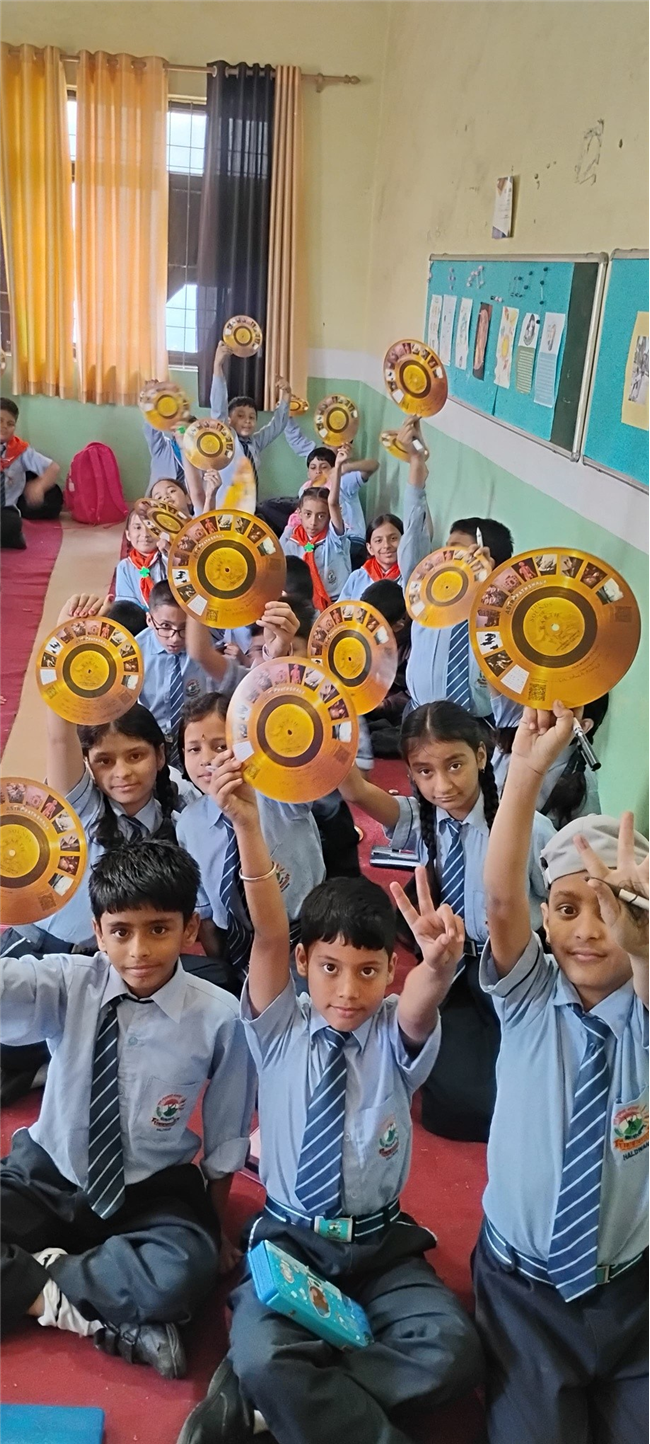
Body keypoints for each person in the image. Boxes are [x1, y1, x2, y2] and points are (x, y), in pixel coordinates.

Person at [176, 758, 485, 1444]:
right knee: (264, 1351)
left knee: (453, 1351)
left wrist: (438, 968)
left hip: (381, 1245)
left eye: (369, 971)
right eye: (330, 968)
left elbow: (420, 1006)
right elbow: (268, 932)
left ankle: (272, 1402)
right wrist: (248, 825)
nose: (348, 990)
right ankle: (289, 1387)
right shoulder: (279, 1025)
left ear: (389, 971)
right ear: (303, 963)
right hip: (291, 1241)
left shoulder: (393, 1029)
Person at [0, 839, 256, 1378]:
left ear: (189, 929)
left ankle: (30, 1277)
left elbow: (226, 1131)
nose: (139, 950)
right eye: (121, 932)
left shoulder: (219, 1016)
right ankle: (87, 1312)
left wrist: (215, 1227)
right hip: (47, 1174)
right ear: (98, 932)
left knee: (183, 1271)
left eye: (158, 929)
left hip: (149, 1189)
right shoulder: (69, 981)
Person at [474, 702, 648, 1443]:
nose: (587, 931)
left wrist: (642, 941)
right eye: (568, 908)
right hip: (523, 1290)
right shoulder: (530, 998)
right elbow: (500, 898)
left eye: (609, 910)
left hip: (629, 1291)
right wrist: (524, 774)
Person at [340, 701, 554, 1141]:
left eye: (455, 764)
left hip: (516, 971)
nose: (442, 785)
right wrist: (329, 727)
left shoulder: (526, 829)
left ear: (481, 755)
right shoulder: (424, 818)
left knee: (528, 1092)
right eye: (424, 771)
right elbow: (356, 790)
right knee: (452, 1105)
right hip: (453, 971)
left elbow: (558, 903)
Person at [176, 693, 325, 995]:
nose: (207, 760)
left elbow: (308, 765)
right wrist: (223, 970)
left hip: (305, 942)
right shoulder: (189, 824)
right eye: (194, 749)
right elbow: (206, 914)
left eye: (220, 746)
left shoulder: (282, 797)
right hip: (238, 952)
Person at [397, 419, 521, 727]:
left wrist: (489, 595)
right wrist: (416, 465)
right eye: (447, 550)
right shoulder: (430, 596)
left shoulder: (502, 617)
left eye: (460, 553)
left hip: (473, 727)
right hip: (418, 714)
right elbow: (412, 545)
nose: (446, 560)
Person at [135, 581, 220, 764]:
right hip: (149, 743)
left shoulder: (205, 649)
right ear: (149, 620)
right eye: (166, 626)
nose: (175, 638)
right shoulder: (134, 654)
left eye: (184, 628)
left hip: (196, 743)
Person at [494, 694, 608, 828]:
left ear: (582, 726)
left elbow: (582, 839)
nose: (542, 710)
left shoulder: (585, 786)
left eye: (557, 708)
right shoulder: (517, 732)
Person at [209, 340, 291, 507]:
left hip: (248, 509)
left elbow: (277, 426)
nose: (247, 420)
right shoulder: (226, 441)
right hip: (224, 508)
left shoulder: (254, 443)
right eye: (240, 416)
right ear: (229, 420)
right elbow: (218, 408)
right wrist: (217, 366)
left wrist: (287, 395)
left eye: (252, 417)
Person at [285, 423, 379, 559]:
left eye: (324, 467)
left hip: (351, 539)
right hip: (320, 541)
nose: (318, 471)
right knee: (304, 553)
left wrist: (344, 468)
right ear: (308, 472)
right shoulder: (305, 490)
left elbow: (374, 465)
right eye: (313, 468)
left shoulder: (343, 480)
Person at [280, 461, 351, 609]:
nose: (313, 522)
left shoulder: (335, 539)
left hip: (336, 605)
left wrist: (337, 468)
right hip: (303, 606)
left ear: (329, 516)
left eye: (321, 516)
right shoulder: (292, 542)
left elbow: (333, 504)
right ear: (299, 513)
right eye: (308, 514)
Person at [0, 398, 61, 549]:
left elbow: (53, 468)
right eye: (0, 421)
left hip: (5, 510)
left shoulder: (20, 451)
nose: (4, 426)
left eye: (10, 423)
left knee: (11, 525)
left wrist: (39, 486)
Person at [360, 579, 412, 757]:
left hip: (398, 710)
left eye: (375, 628)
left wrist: (385, 705)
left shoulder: (415, 644)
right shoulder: (364, 633)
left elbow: (413, 694)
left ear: (398, 625)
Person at [342, 513, 405, 600]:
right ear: (370, 548)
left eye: (393, 538)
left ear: (405, 541)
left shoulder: (411, 576)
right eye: (379, 540)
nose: (386, 545)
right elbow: (341, 607)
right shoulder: (357, 577)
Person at [114, 509, 167, 608]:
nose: (145, 534)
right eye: (138, 527)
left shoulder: (167, 559)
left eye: (151, 527)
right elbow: (125, 605)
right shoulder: (125, 567)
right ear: (128, 535)